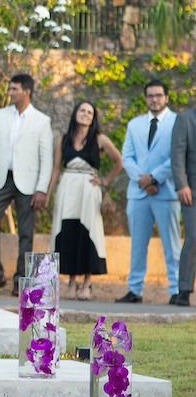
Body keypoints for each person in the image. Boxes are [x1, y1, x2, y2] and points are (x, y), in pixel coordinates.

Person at [0, 74, 54, 297]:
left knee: (25, 233)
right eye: (10, 88)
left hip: (29, 184)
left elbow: (46, 158)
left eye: (14, 89)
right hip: (1, 180)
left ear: (27, 91)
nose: (10, 92)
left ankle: (19, 281)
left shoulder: (42, 121)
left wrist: (42, 189)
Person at [48, 101, 123, 300]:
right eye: (82, 110)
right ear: (75, 113)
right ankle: (72, 282)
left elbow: (119, 161)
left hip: (89, 188)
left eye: (90, 112)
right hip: (68, 186)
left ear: (93, 117)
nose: (86, 114)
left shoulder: (100, 139)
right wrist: (48, 194)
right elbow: (56, 169)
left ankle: (87, 284)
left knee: (88, 231)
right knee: (68, 231)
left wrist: (105, 180)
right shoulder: (62, 140)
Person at [118, 78, 181, 304]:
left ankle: (176, 290)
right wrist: (143, 180)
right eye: (150, 95)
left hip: (167, 192)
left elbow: (177, 156)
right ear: (146, 98)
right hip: (138, 193)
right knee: (137, 244)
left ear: (166, 97)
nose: (154, 99)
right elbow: (127, 157)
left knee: (172, 245)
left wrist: (154, 178)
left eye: (158, 95)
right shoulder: (134, 124)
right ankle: (134, 290)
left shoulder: (177, 122)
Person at [171, 103, 196, 306]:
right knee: (193, 237)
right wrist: (182, 184)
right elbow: (177, 155)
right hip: (191, 192)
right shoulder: (185, 119)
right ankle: (184, 290)